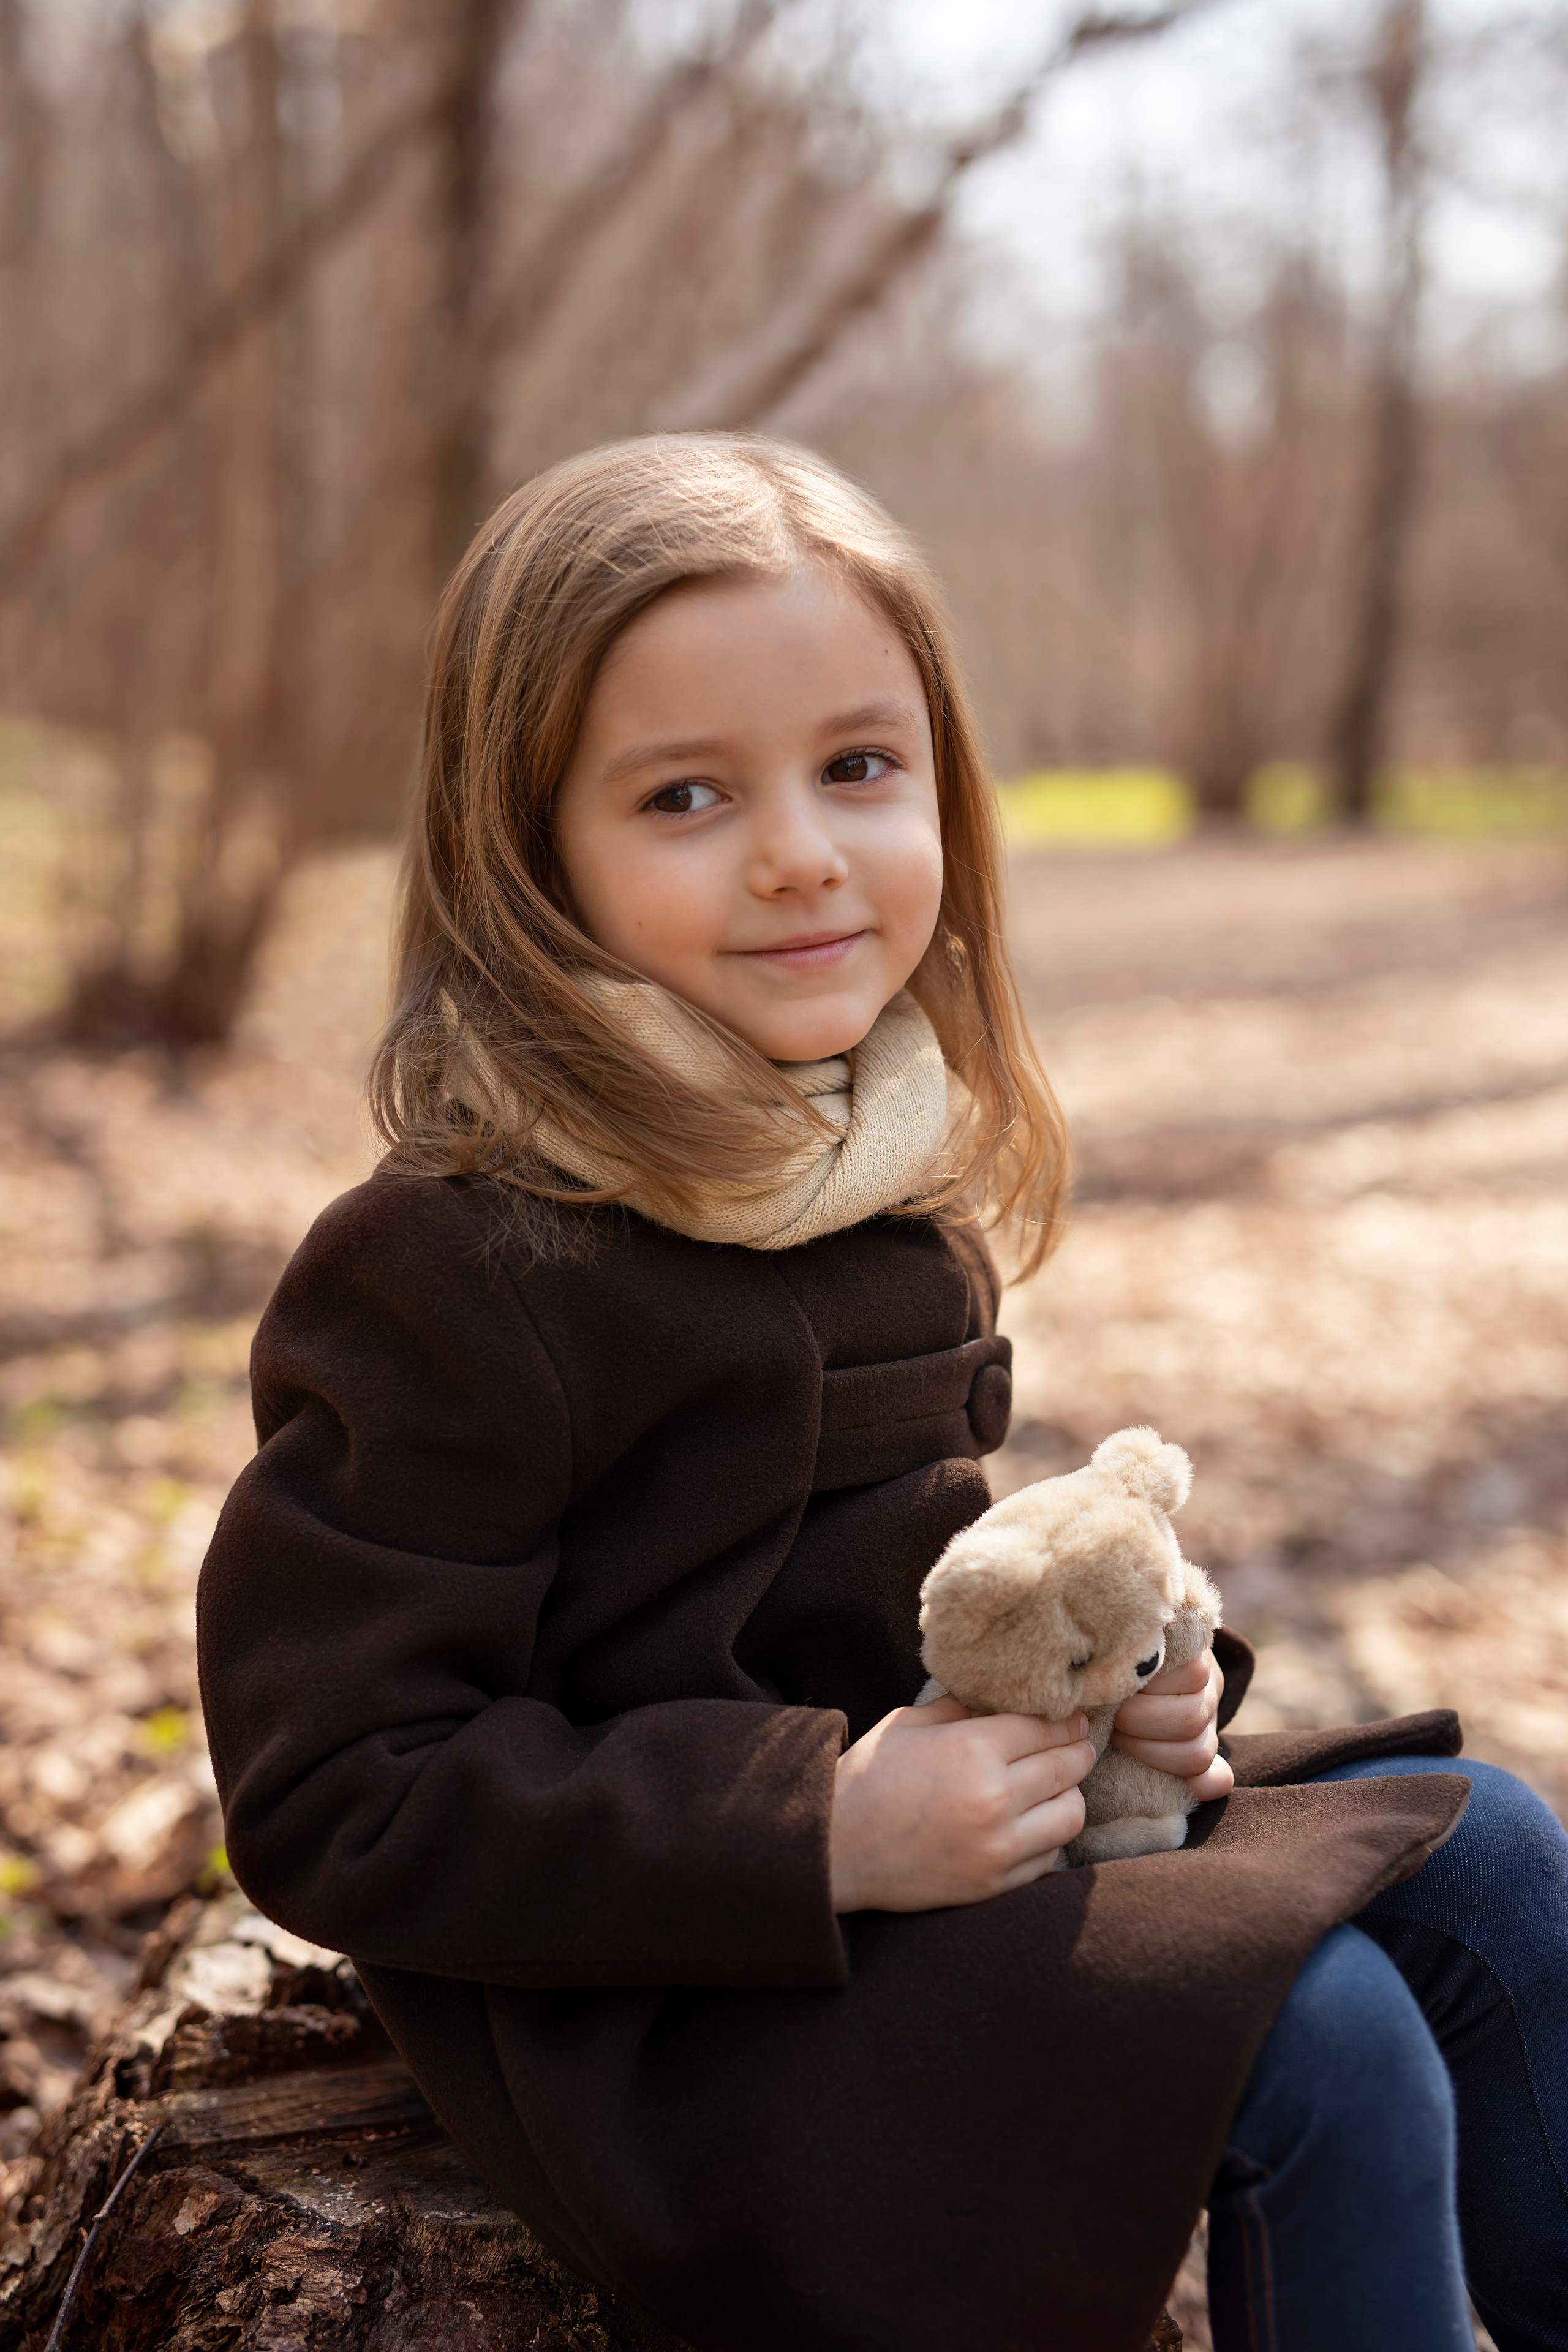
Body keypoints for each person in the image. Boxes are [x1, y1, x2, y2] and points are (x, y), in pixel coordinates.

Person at [197, 435, 1568, 2352]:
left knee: (1495, 1858)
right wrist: (819, 1829)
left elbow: (910, 1611)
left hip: (926, 1861)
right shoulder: (452, 1266)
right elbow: (336, 1787)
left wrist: (1132, 1703)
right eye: (685, 793)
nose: (800, 852)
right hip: (672, 1991)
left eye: (859, 767)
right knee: (1321, 2042)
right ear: (530, 858)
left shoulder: (869, 1182)